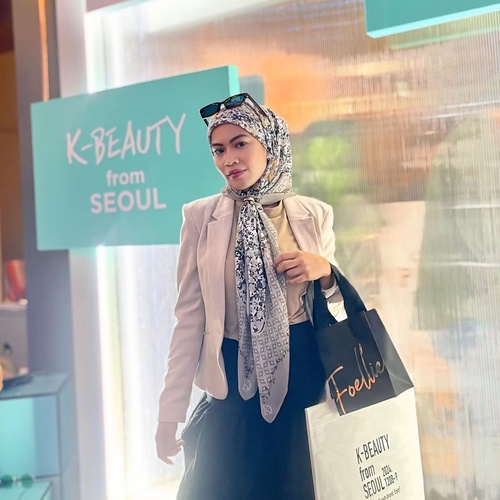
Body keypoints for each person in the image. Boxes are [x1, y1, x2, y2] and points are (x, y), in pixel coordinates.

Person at [155, 93, 345, 499]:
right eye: (218, 149)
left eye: (240, 143)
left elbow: (338, 309)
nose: (229, 159)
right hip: (230, 378)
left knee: (295, 486)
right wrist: (169, 414)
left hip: (303, 372)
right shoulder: (200, 217)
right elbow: (189, 319)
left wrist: (326, 271)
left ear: (270, 143)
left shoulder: (315, 215)